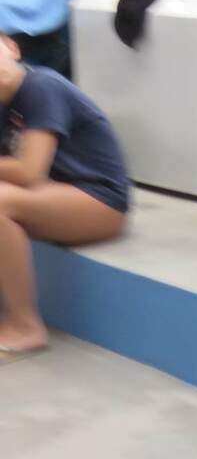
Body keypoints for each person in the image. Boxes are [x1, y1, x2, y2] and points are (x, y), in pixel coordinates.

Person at [0, 33, 129, 356]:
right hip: (56, 194)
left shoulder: (41, 86)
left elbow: (29, 171)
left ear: (12, 48)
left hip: (99, 200)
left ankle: (26, 325)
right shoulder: (5, 107)